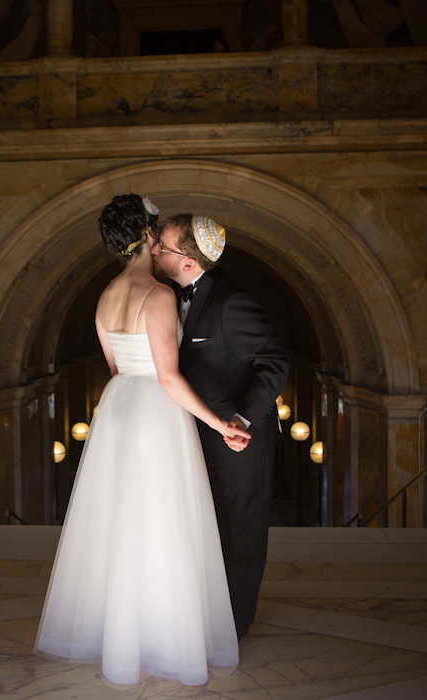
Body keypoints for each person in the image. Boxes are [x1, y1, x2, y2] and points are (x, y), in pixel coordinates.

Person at [34, 195, 248, 687]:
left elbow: (116, 367)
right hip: (154, 413)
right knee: (162, 518)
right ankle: (162, 635)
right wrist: (220, 425)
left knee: (120, 521)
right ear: (149, 237)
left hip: (117, 407)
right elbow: (168, 378)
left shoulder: (105, 294)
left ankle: (121, 636)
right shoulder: (159, 295)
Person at [152, 214, 290, 639]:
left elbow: (276, 360)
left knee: (242, 531)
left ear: (190, 262)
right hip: (199, 438)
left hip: (238, 442)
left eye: (164, 247)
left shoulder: (231, 301)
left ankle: (236, 624)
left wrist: (243, 418)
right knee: (211, 528)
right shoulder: (172, 295)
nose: (155, 250)